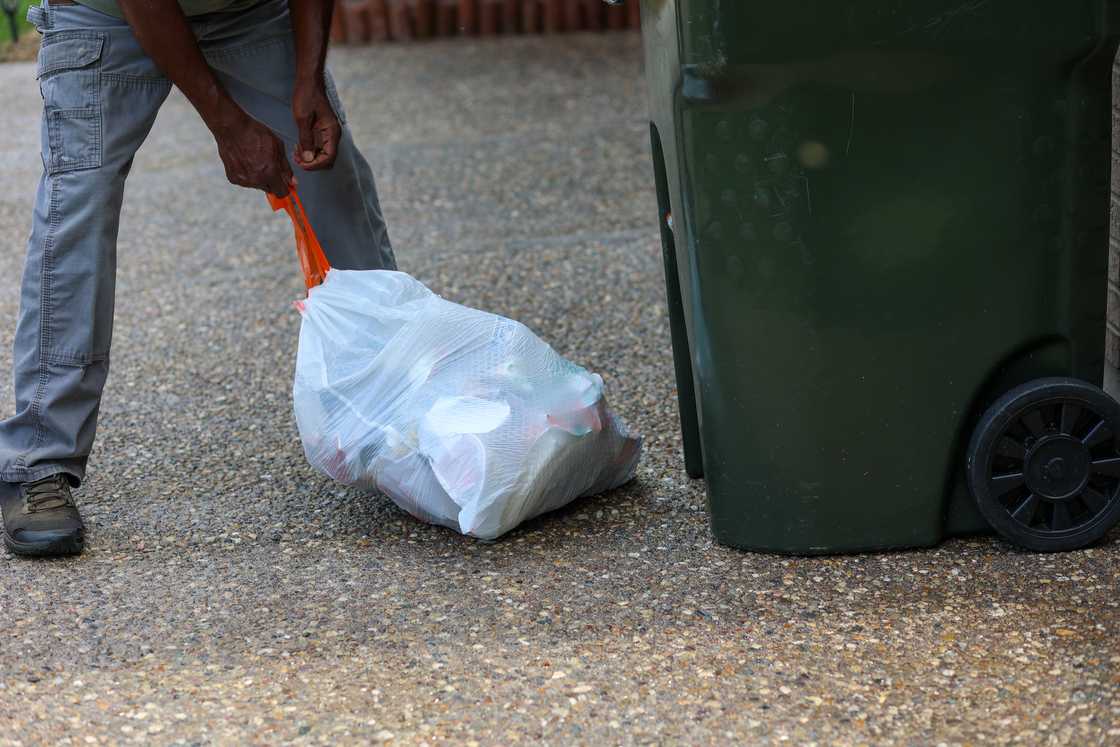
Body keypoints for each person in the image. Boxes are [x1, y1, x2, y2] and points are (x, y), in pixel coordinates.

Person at [0, 0, 395, 557]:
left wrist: (307, 81)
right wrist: (228, 125)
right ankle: (38, 460)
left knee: (329, 171)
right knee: (79, 205)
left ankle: (397, 419)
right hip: (106, 13)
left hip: (248, 10)